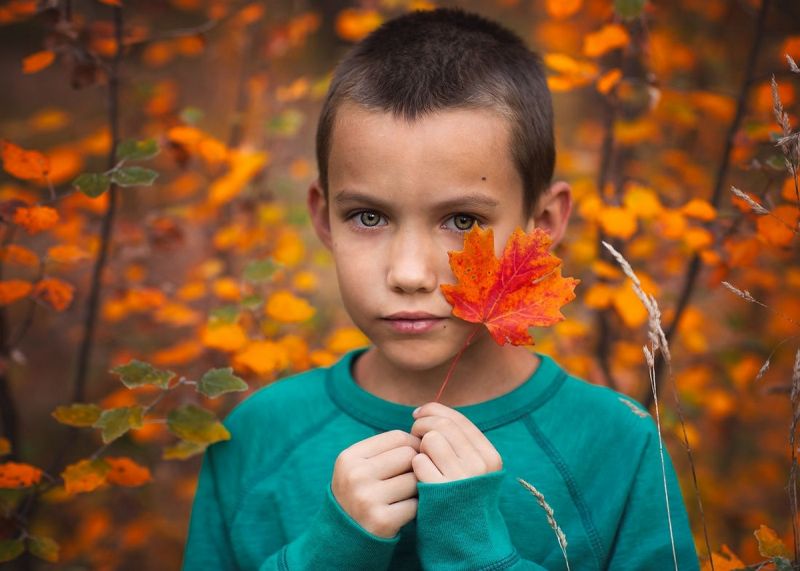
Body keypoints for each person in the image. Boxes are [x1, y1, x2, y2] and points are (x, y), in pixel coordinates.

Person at [182, 7, 699, 570]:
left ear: (542, 225)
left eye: (463, 221)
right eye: (369, 217)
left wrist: (478, 553)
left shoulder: (617, 445)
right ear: (323, 217)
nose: (408, 273)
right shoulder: (258, 435)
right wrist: (327, 553)